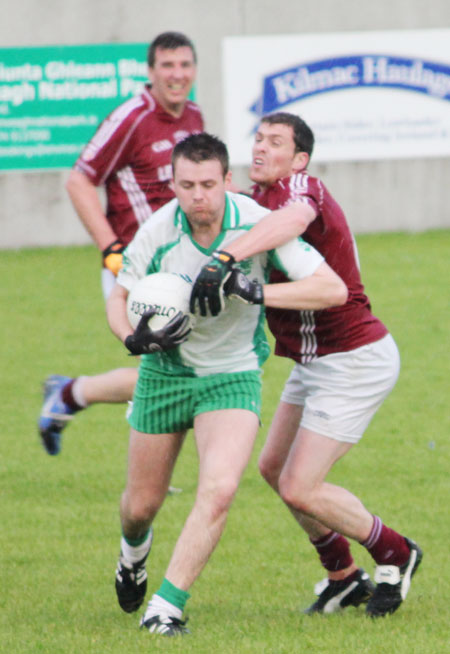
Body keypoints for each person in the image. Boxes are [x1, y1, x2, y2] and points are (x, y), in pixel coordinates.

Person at [107, 132, 347, 636]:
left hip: (231, 376)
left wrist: (257, 289)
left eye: (209, 184)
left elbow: (331, 288)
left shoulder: (256, 226)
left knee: (219, 489)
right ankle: (132, 557)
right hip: (164, 373)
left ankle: (165, 608)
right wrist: (133, 338)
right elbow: (120, 295)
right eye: (188, 185)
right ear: (172, 184)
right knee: (140, 506)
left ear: (227, 181)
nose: (199, 196)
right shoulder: (157, 232)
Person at [189, 113, 423, 619]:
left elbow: (295, 226)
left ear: (299, 158)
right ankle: (342, 577)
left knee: (301, 485)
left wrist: (229, 264)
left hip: (355, 359)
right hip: (314, 362)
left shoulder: (301, 188)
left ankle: (397, 553)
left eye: (275, 142)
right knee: (273, 469)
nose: (260, 148)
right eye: (257, 139)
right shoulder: (256, 202)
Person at [38, 31, 204, 455]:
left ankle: (71, 394)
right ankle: (144, 480)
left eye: (184, 65)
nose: (177, 74)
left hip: (179, 267)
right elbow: (79, 180)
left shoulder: (194, 118)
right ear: (151, 72)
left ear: (194, 71)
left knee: (182, 367)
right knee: (171, 369)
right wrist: (110, 247)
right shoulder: (131, 117)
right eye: (167, 65)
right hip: (134, 267)